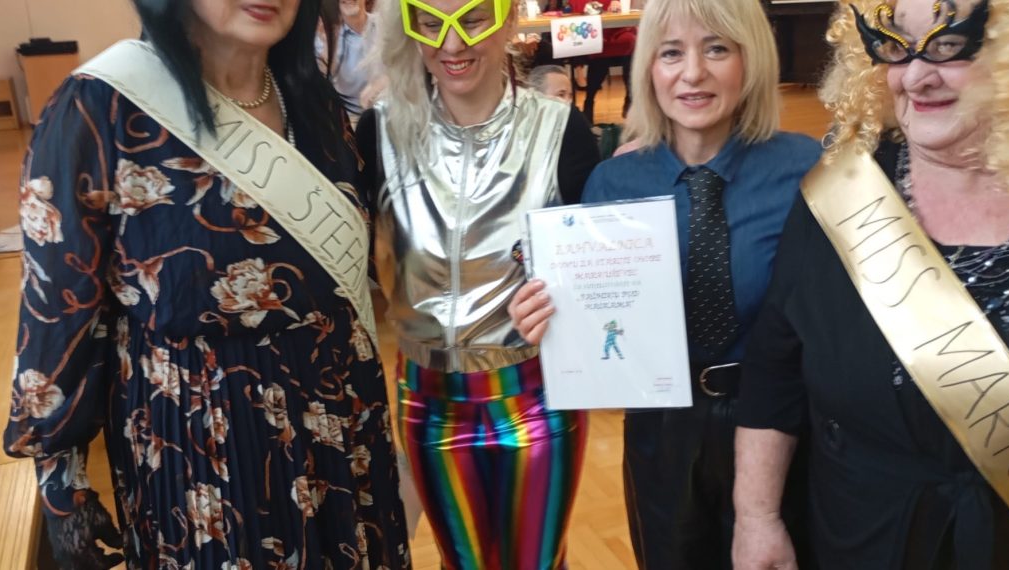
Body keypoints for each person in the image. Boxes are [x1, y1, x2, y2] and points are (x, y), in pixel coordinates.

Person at [2, 0, 410, 567]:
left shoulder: (313, 101)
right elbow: (57, 308)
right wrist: (59, 476)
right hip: (202, 451)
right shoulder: (102, 106)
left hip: (340, 427)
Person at [732, 0, 1009, 567]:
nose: (915, 77)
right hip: (864, 539)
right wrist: (756, 519)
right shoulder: (841, 199)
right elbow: (775, 370)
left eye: (949, 44)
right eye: (892, 45)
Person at [508, 0, 821, 567]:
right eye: (671, 53)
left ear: (751, 60)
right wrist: (551, 321)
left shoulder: (806, 170)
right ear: (649, 67)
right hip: (661, 433)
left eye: (717, 49)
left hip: (783, 429)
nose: (692, 73)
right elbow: (597, 323)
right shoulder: (614, 183)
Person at [356, 0, 601, 564]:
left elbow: (599, 276)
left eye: (471, 21)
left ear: (509, 19)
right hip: (428, 400)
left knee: (535, 560)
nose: (452, 45)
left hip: (538, 396)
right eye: (430, 24)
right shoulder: (381, 132)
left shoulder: (559, 130)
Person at [316, 0, 378, 124]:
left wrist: (382, 83)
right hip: (352, 118)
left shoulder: (384, 25)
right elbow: (320, 85)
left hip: (390, 107)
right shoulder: (326, 37)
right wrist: (328, 48)